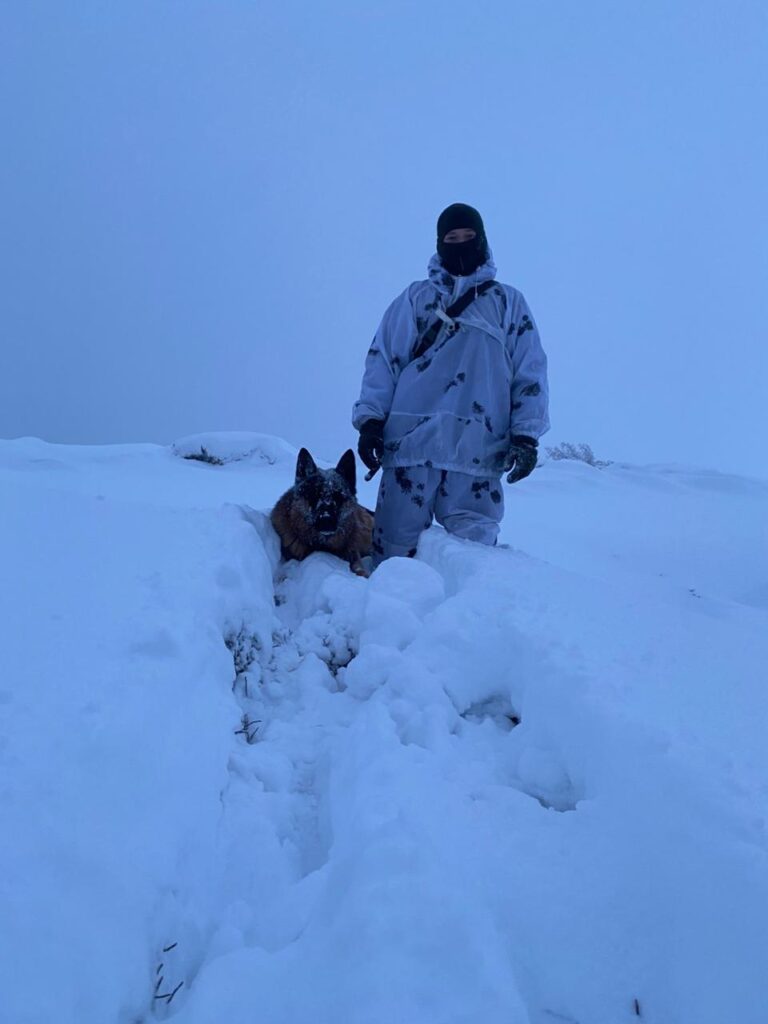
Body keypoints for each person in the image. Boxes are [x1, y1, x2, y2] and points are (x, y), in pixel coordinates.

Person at [352, 202, 549, 564]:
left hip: (477, 451)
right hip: (412, 446)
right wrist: (371, 422)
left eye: (468, 237)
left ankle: (470, 623)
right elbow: (384, 360)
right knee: (393, 557)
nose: (460, 244)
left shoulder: (508, 303)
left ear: (483, 240)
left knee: (474, 564)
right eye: (451, 238)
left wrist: (525, 435)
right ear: (439, 243)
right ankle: (384, 618)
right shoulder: (416, 298)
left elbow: (530, 372)